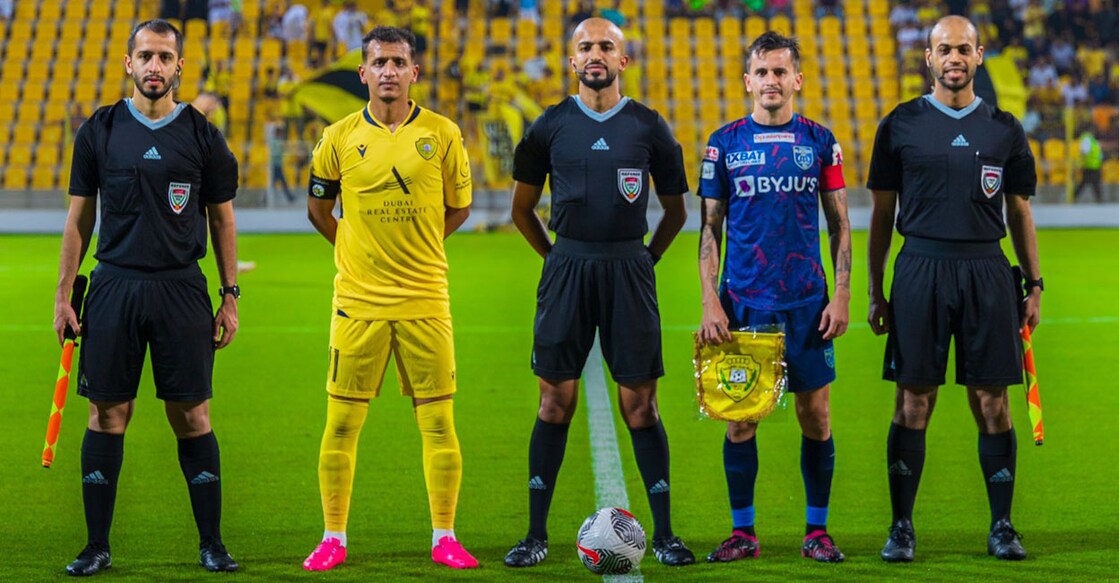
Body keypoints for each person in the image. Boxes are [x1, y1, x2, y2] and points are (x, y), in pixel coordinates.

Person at [504, 17, 694, 568]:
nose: (595, 54)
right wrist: (557, 260)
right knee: (554, 400)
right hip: (568, 267)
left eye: (606, 46)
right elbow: (521, 209)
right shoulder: (549, 126)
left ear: (623, 60)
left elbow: (677, 210)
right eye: (585, 46)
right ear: (571, 61)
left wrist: (645, 261)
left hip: (628, 270)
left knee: (640, 404)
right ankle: (535, 536)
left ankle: (664, 536)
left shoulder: (649, 127)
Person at [54, 19, 240, 576]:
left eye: (165, 56)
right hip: (113, 284)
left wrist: (229, 295)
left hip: (182, 287)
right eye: (145, 56)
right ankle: (96, 546)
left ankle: (212, 543)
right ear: (128, 64)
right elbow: (78, 217)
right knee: (107, 415)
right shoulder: (101, 129)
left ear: (179, 66)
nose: (154, 66)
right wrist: (65, 293)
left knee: (193, 416)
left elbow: (223, 220)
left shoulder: (204, 135)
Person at [302, 26, 478, 572]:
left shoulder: (444, 134)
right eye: (378, 62)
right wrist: (356, 250)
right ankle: (333, 536)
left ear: (414, 72)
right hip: (358, 302)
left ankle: (445, 536)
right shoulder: (336, 137)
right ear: (363, 72)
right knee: (341, 425)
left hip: (426, 297)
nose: (388, 72)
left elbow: (460, 208)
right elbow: (318, 210)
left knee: (439, 424)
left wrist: (417, 249)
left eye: (398, 62)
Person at [866, 15, 1042, 563]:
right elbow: (880, 215)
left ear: (980, 55)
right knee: (913, 400)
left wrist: (1034, 283)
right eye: (944, 49)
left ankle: (1003, 526)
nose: (954, 58)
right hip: (919, 268)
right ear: (928, 57)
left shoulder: (1005, 129)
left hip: (988, 272)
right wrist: (876, 290)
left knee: (993, 403)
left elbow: (1019, 211)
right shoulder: (899, 125)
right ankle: (901, 527)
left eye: (963, 49)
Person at [696, 31, 851, 565]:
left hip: (807, 301)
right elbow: (710, 229)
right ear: (747, 81)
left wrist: (843, 294)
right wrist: (709, 301)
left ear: (797, 80)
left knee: (816, 415)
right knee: (741, 418)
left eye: (780, 72)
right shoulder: (723, 144)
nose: (771, 81)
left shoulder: (820, 141)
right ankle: (743, 533)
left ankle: (817, 531)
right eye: (761, 72)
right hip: (745, 301)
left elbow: (840, 225)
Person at [1075, 124, 1104, 203]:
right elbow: (1084, 152)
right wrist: (1081, 165)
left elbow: (1098, 154)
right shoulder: (1086, 139)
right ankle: (1099, 199)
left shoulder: (1092, 140)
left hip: (1094, 165)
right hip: (1089, 165)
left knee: (1086, 183)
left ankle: (1074, 196)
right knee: (1092, 183)